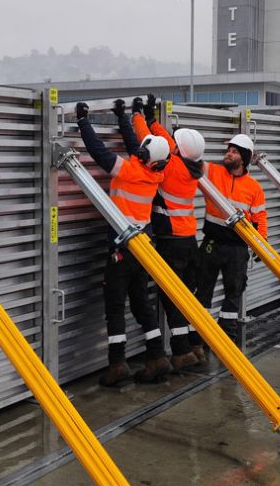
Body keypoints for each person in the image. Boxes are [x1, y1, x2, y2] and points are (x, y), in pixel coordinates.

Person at [75, 100, 172, 386]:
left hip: (122, 247)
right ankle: (156, 357)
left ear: (144, 156)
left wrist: (83, 122)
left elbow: (99, 153)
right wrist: (122, 119)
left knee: (115, 304)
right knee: (141, 302)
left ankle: (117, 365)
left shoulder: (129, 171)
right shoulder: (156, 173)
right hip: (143, 249)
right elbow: (137, 145)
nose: (138, 149)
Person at [130, 94, 207, 370]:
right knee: (187, 295)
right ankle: (196, 345)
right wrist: (152, 117)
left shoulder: (171, 166)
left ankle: (182, 351)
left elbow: (151, 142)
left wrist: (138, 116)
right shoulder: (196, 166)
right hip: (189, 240)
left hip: (170, 240)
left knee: (171, 297)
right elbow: (171, 142)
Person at [194, 133, 268, 349]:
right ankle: (199, 340)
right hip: (212, 243)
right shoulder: (213, 171)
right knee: (202, 290)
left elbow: (260, 218)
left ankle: (226, 342)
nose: (228, 154)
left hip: (237, 249)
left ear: (243, 158)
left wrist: (261, 245)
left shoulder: (254, 188)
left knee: (233, 294)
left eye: (234, 152)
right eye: (228, 150)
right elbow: (190, 164)